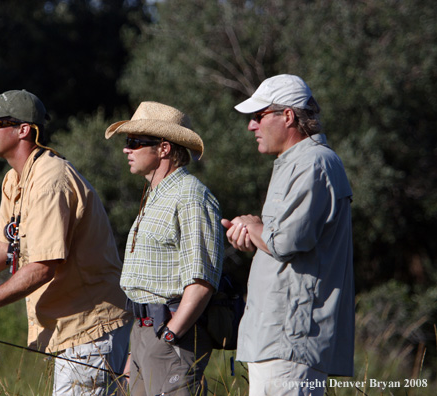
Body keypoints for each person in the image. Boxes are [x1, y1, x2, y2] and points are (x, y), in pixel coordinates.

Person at [0, 89, 132, 396]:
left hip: (90, 328)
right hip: (71, 329)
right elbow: (3, 248)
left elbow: (44, 267)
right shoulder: (15, 179)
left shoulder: (50, 182)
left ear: (23, 130)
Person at [222, 74, 355, 395]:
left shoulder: (312, 164)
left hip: (290, 340)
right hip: (278, 338)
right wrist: (253, 235)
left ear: (288, 116)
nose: (251, 126)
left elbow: (286, 241)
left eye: (258, 116)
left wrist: (253, 227)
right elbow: (289, 244)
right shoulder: (299, 162)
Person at [104, 101, 224, 396]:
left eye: (134, 142)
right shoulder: (156, 196)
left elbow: (202, 280)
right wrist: (140, 345)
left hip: (171, 335)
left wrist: (170, 333)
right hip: (144, 333)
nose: (126, 149)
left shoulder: (190, 196)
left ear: (164, 148)